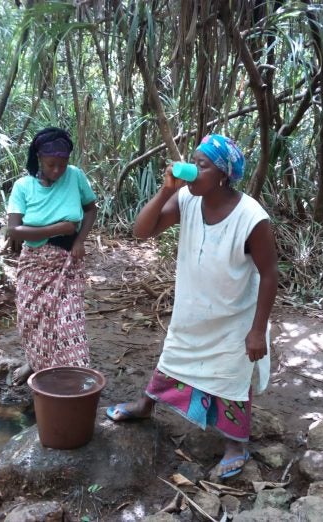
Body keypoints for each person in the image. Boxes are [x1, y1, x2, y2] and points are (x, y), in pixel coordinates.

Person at [106, 134, 278, 479]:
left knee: (231, 379)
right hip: (193, 310)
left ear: (223, 175)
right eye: (193, 161)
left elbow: (270, 274)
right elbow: (142, 231)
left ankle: (235, 443)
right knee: (175, 357)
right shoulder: (185, 199)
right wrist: (167, 191)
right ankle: (145, 405)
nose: (192, 170)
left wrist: (258, 330)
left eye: (203, 165)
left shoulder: (251, 218)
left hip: (235, 318)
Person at [6, 127, 97, 383]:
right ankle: (34, 363)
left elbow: (91, 210)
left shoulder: (75, 176)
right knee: (32, 320)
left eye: (63, 164)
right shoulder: (23, 187)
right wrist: (59, 227)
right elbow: (14, 230)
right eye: (51, 164)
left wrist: (79, 239)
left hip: (67, 261)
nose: (58, 170)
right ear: (38, 159)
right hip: (33, 264)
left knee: (69, 324)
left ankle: (75, 377)